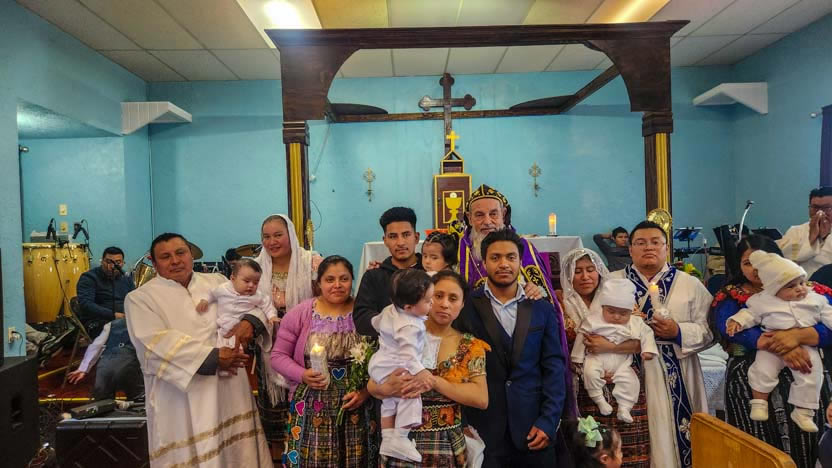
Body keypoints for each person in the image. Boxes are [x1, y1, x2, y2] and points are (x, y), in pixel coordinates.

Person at [125, 233, 271, 467]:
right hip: (181, 396)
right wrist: (214, 357)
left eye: (180, 253)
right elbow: (154, 343)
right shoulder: (140, 299)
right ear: (154, 262)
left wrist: (249, 322)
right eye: (165, 256)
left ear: (191, 254)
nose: (175, 261)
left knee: (237, 454)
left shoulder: (216, 282)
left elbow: (258, 302)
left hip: (230, 387)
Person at [710, 234, 832, 468]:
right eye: (748, 263)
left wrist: (800, 336)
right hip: (749, 376)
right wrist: (782, 346)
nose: (756, 269)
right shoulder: (732, 296)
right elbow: (731, 330)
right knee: (759, 443)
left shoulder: (808, 291)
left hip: (806, 367)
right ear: (739, 265)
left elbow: (829, 324)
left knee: (805, 440)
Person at [457, 228, 566, 467]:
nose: (504, 264)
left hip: (534, 428)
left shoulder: (541, 307)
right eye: (495, 257)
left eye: (511, 257)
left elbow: (554, 367)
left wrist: (548, 421)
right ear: (484, 262)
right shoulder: (466, 308)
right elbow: (456, 369)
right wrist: (463, 424)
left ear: (520, 261)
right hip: (483, 430)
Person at [610, 221, 713, 468]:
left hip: (677, 369)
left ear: (667, 248)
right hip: (625, 368)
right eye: (641, 243)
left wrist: (677, 331)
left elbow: (710, 330)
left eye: (656, 242)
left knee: (674, 435)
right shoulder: (612, 282)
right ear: (630, 249)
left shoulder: (690, 284)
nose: (649, 247)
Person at [368, 270, 490, 467]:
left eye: (453, 298)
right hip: (403, 440)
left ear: (462, 304)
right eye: (438, 296)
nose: (444, 304)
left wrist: (434, 381)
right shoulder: (403, 333)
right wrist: (387, 388)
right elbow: (372, 385)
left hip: (447, 442)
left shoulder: (470, 345)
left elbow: (481, 398)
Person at [271, 255, 378, 467]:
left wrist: (365, 392)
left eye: (344, 279)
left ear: (352, 281)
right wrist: (302, 374)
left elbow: (383, 359)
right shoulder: (301, 313)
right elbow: (278, 356)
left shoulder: (364, 314)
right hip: (312, 403)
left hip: (355, 403)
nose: (337, 285)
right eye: (330, 279)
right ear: (318, 283)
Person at [560, 248, 653, 467]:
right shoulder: (560, 304)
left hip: (623, 376)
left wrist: (609, 347)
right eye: (577, 271)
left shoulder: (620, 299)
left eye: (590, 270)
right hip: (583, 386)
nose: (585, 276)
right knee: (593, 450)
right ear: (568, 275)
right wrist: (585, 368)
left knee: (629, 446)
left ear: (599, 272)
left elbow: (641, 340)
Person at [725, 251, 832, 432]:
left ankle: (803, 411)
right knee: (763, 369)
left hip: (806, 347)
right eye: (791, 286)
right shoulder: (762, 301)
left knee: (812, 373)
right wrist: (737, 322)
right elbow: (749, 314)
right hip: (771, 347)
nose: (800, 289)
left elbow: (828, 314)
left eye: (801, 283)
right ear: (775, 289)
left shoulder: (815, 298)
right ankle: (759, 402)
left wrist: (801, 336)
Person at [255, 213, 323, 460]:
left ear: (290, 235)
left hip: (306, 342)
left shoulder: (310, 262)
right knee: (274, 413)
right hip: (269, 344)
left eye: (278, 235)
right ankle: (276, 460)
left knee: (307, 406)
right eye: (266, 236)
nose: (272, 241)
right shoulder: (256, 267)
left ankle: (307, 458)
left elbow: (325, 296)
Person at [368, 269, 434, 462]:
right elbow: (408, 354)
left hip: (380, 363)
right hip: (395, 363)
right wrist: (421, 372)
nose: (432, 303)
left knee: (390, 401)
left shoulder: (391, 309)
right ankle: (400, 437)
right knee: (410, 393)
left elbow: (376, 322)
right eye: (427, 301)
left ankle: (388, 438)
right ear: (408, 306)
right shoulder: (409, 326)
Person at [571, 279, 657, 423]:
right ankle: (599, 400)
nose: (616, 316)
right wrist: (577, 357)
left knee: (631, 381)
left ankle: (625, 408)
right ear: (603, 307)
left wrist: (648, 350)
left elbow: (647, 334)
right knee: (590, 373)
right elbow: (582, 335)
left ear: (630, 311)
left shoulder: (635, 322)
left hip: (622, 363)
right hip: (597, 358)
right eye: (611, 311)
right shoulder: (593, 320)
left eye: (623, 313)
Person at [454, 184, 554, 300]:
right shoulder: (458, 249)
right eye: (479, 215)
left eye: (493, 214)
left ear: (503, 214)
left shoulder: (523, 247)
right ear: (470, 218)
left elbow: (545, 296)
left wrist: (535, 290)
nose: (487, 221)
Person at [196, 258, 278, 376]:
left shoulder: (257, 295)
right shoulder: (223, 288)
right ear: (233, 278)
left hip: (240, 328)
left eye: (256, 283)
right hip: (223, 327)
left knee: (237, 351)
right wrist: (205, 301)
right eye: (246, 281)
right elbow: (212, 294)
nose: (251, 285)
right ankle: (223, 369)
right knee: (221, 349)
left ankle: (232, 370)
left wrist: (272, 316)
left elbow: (267, 305)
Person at [354, 207, 424, 338]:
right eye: (393, 236)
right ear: (385, 240)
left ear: (416, 237)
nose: (400, 242)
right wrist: (392, 323)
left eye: (406, 234)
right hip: (386, 346)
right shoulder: (374, 276)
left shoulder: (430, 273)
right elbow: (361, 318)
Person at [67, 317, 143, 401]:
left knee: (102, 403)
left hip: (105, 368)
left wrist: (83, 368)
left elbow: (96, 346)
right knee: (139, 400)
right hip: (130, 368)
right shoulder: (148, 324)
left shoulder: (111, 324)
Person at [76, 246, 134, 338]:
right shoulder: (89, 278)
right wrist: (113, 315)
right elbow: (86, 304)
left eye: (118, 263)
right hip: (97, 321)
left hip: (123, 319)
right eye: (108, 262)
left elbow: (134, 299)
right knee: (128, 331)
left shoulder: (126, 277)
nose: (112, 266)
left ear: (123, 263)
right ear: (102, 261)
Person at [777, 187, 832, 277]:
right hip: (800, 282)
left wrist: (823, 238)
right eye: (815, 207)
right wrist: (811, 239)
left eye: (827, 208)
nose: (820, 212)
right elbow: (784, 260)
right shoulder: (795, 231)